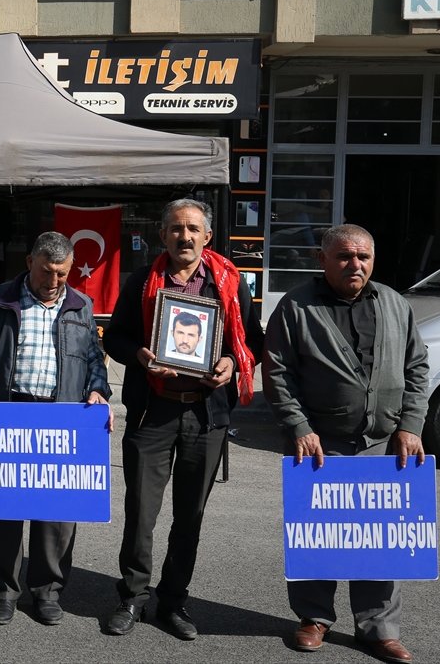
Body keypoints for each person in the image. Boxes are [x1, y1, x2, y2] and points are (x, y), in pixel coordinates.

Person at [263, 224, 427, 664]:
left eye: (364, 257)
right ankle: (314, 618)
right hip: (318, 447)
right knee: (318, 537)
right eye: (344, 256)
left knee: (379, 540)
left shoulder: (393, 303)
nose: (355, 264)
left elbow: (417, 367)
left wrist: (410, 425)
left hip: (382, 445)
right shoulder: (296, 307)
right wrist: (298, 426)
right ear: (323, 259)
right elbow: (278, 374)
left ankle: (379, 629)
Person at [102, 198, 262, 640]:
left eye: (193, 229)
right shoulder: (141, 281)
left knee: (189, 516)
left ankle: (173, 601)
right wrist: (139, 355)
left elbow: (254, 340)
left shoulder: (229, 281)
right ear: (163, 235)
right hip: (153, 411)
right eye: (176, 229)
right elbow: (115, 337)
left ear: (207, 236)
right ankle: (132, 598)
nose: (185, 236)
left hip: (205, 413)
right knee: (141, 513)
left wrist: (231, 360)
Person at [0, 231, 112, 627]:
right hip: (8, 412)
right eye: (47, 271)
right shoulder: (0, 299)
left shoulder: (81, 305)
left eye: (62, 273)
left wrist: (98, 391)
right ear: (30, 261)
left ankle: (47, 592)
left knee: (57, 515)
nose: (55, 281)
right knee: (3, 511)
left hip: (61, 415)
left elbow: (96, 360)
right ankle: (3, 593)